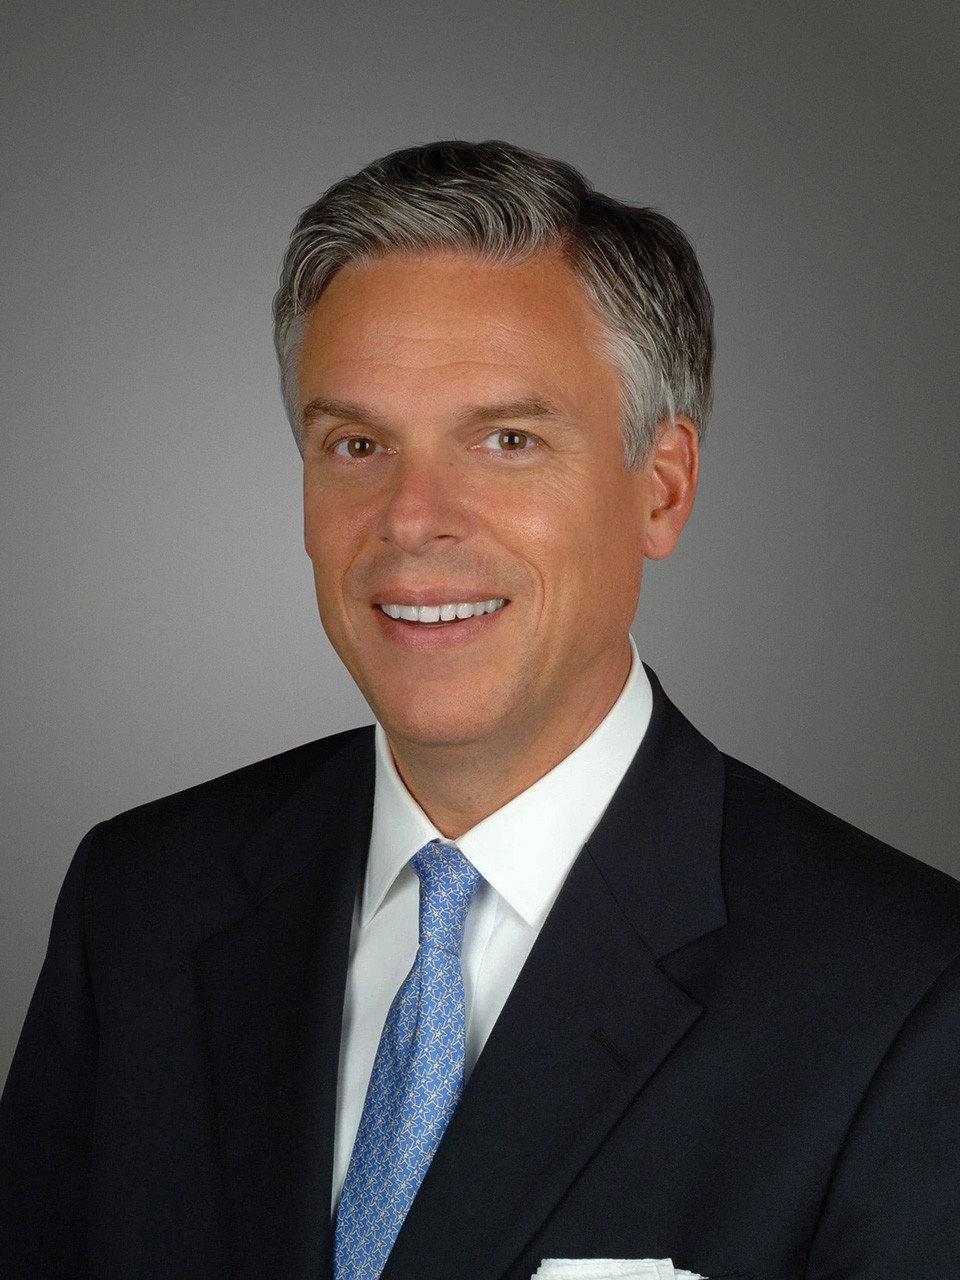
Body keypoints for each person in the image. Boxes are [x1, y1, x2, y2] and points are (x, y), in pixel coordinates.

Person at [1, 140, 958, 1280]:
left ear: (662, 485)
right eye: (357, 444)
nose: (411, 518)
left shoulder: (905, 991)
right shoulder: (140, 901)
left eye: (507, 440)